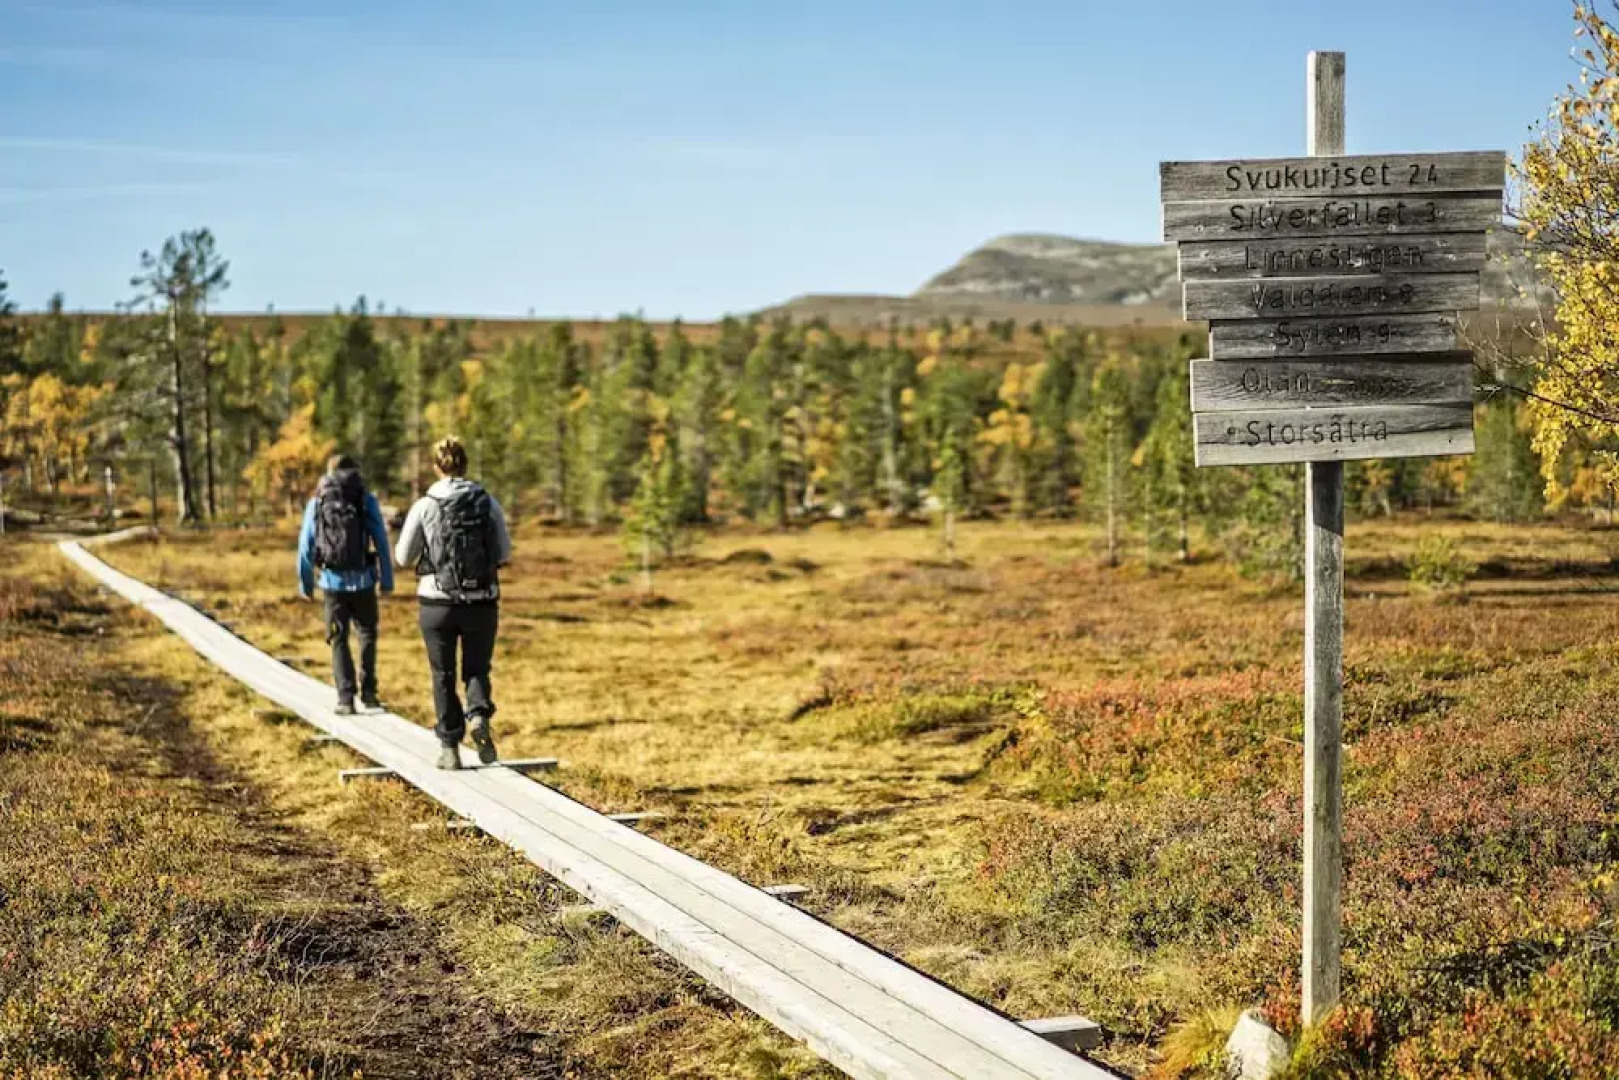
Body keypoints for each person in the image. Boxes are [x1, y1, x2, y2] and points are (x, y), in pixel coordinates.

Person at [395, 436, 512, 770]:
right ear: (465, 464)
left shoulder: (425, 504)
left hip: (437, 603)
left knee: (442, 673)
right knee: (477, 668)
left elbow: (403, 557)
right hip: (482, 602)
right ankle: (478, 716)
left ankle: (450, 747)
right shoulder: (487, 501)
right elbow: (504, 553)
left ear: (436, 466)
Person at [297, 454, 395, 715]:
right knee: (367, 634)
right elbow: (381, 542)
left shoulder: (318, 501)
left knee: (338, 638)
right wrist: (386, 579)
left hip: (332, 581)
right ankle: (370, 694)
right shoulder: (365, 499)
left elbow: (306, 546)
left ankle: (345, 698)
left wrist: (306, 583)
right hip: (363, 580)